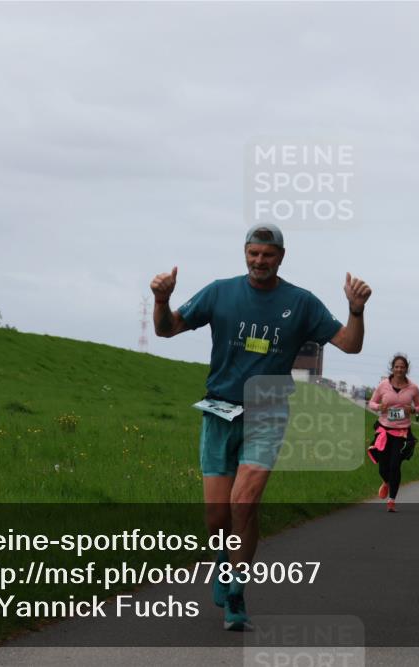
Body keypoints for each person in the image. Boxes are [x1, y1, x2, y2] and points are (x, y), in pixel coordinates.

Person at [150, 223, 372, 631]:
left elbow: (349, 343)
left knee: (244, 504)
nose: (259, 261)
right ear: (245, 253)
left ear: (281, 257)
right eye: (253, 254)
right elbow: (167, 329)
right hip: (219, 410)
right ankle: (224, 558)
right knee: (217, 518)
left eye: (267, 255)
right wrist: (161, 299)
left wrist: (356, 310)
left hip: (268, 411)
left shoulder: (300, 302)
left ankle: (236, 593)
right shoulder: (221, 292)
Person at [369, 355, 419, 509]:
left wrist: (413, 409)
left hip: (402, 432)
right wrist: (379, 407)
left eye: (402, 367)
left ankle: (392, 500)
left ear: (406, 369)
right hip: (384, 430)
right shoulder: (383, 385)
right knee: (383, 467)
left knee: (395, 465)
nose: (399, 369)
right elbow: (372, 403)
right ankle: (386, 482)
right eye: (397, 366)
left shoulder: (413, 388)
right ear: (392, 368)